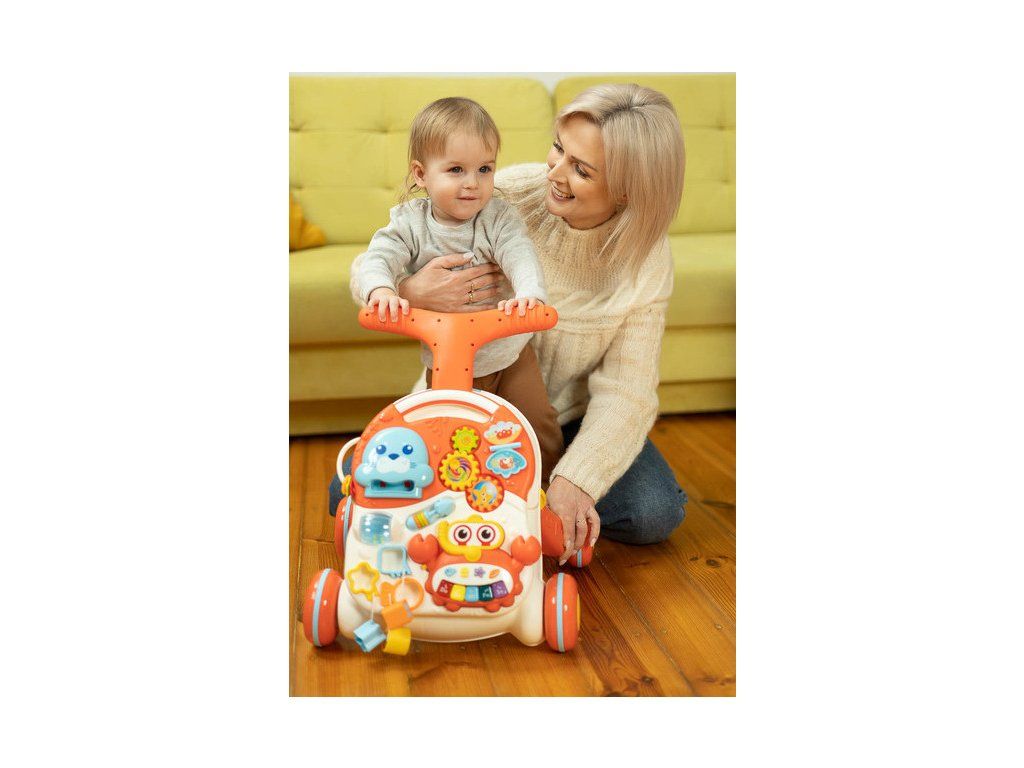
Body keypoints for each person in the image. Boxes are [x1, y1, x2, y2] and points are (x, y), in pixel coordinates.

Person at [332, 83, 687, 564]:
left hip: (569, 421)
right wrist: (410, 291)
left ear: (627, 189)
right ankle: (490, 503)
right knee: (349, 493)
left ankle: (518, 501)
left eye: (581, 170)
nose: (554, 173)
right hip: (470, 387)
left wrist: (574, 481)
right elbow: (373, 262)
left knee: (652, 512)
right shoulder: (502, 194)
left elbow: (628, 390)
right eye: (559, 149)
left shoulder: (646, 260)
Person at [348, 96, 564, 482]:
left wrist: (529, 293)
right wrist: (382, 290)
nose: (472, 183)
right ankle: (454, 496)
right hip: (445, 358)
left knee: (536, 424)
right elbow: (377, 258)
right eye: (456, 170)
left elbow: (519, 252)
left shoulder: (498, 217)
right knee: (447, 432)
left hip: (509, 355)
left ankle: (542, 492)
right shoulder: (409, 223)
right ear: (421, 174)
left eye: (484, 169)